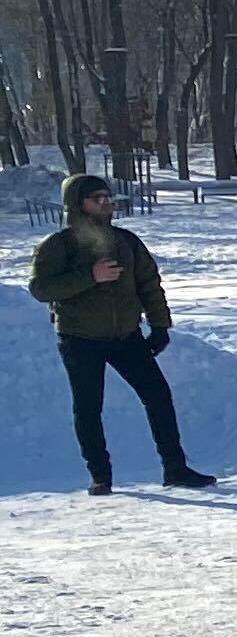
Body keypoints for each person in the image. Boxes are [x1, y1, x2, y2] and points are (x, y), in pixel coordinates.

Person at [29, 172, 213, 494]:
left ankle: (176, 468)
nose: (106, 204)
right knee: (88, 407)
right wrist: (91, 275)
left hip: (126, 336)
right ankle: (100, 476)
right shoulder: (59, 245)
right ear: (77, 204)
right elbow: (41, 289)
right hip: (79, 338)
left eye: (108, 198)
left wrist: (159, 326)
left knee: (158, 396)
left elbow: (149, 284)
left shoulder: (126, 242)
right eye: (97, 199)